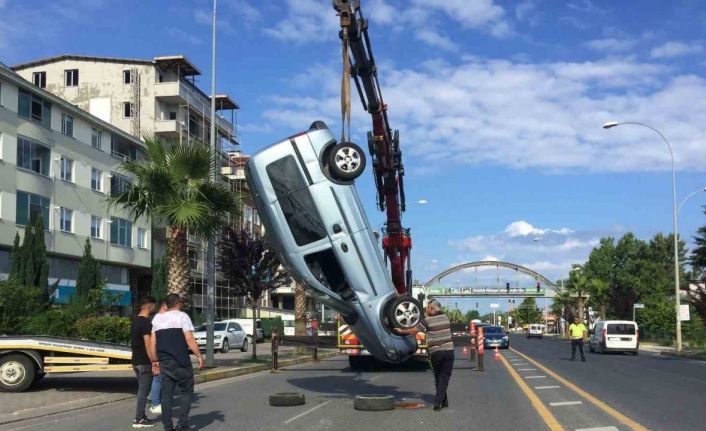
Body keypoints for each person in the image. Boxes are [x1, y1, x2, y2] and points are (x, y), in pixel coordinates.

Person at [150, 294, 204, 431]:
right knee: (186, 391)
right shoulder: (182, 316)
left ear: (166, 305)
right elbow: (189, 339)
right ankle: (182, 424)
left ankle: (168, 427)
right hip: (181, 361)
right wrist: (199, 356)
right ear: (178, 303)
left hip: (164, 362)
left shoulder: (157, 318)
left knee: (167, 395)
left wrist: (154, 360)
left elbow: (153, 342)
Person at [395, 299, 454, 411]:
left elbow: (413, 331)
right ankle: (443, 401)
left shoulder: (427, 321)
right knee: (444, 377)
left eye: (427, 307)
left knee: (439, 377)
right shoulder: (446, 318)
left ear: (432, 309)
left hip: (436, 353)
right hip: (449, 352)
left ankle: (438, 402)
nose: (426, 309)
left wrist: (400, 331)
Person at [131, 296, 158, 428]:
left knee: (142, 390)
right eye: (153, 306)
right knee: (143, 391)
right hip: (144, 362)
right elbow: (148, 344)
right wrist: (153, 361)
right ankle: (139, 419)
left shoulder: (135, 320)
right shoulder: (146, 323)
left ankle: (141, 416)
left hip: (135, 361)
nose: (154, 308)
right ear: (148, 306)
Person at [148, 299, 168, 415]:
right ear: (164, 306)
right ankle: (155, 402)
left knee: (158, 378)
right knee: (158, 378)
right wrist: (154, 359)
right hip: (157, 353)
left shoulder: (155, 319)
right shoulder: (157, 319)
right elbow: (152, 341)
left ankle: (154, 399)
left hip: (158, 353)